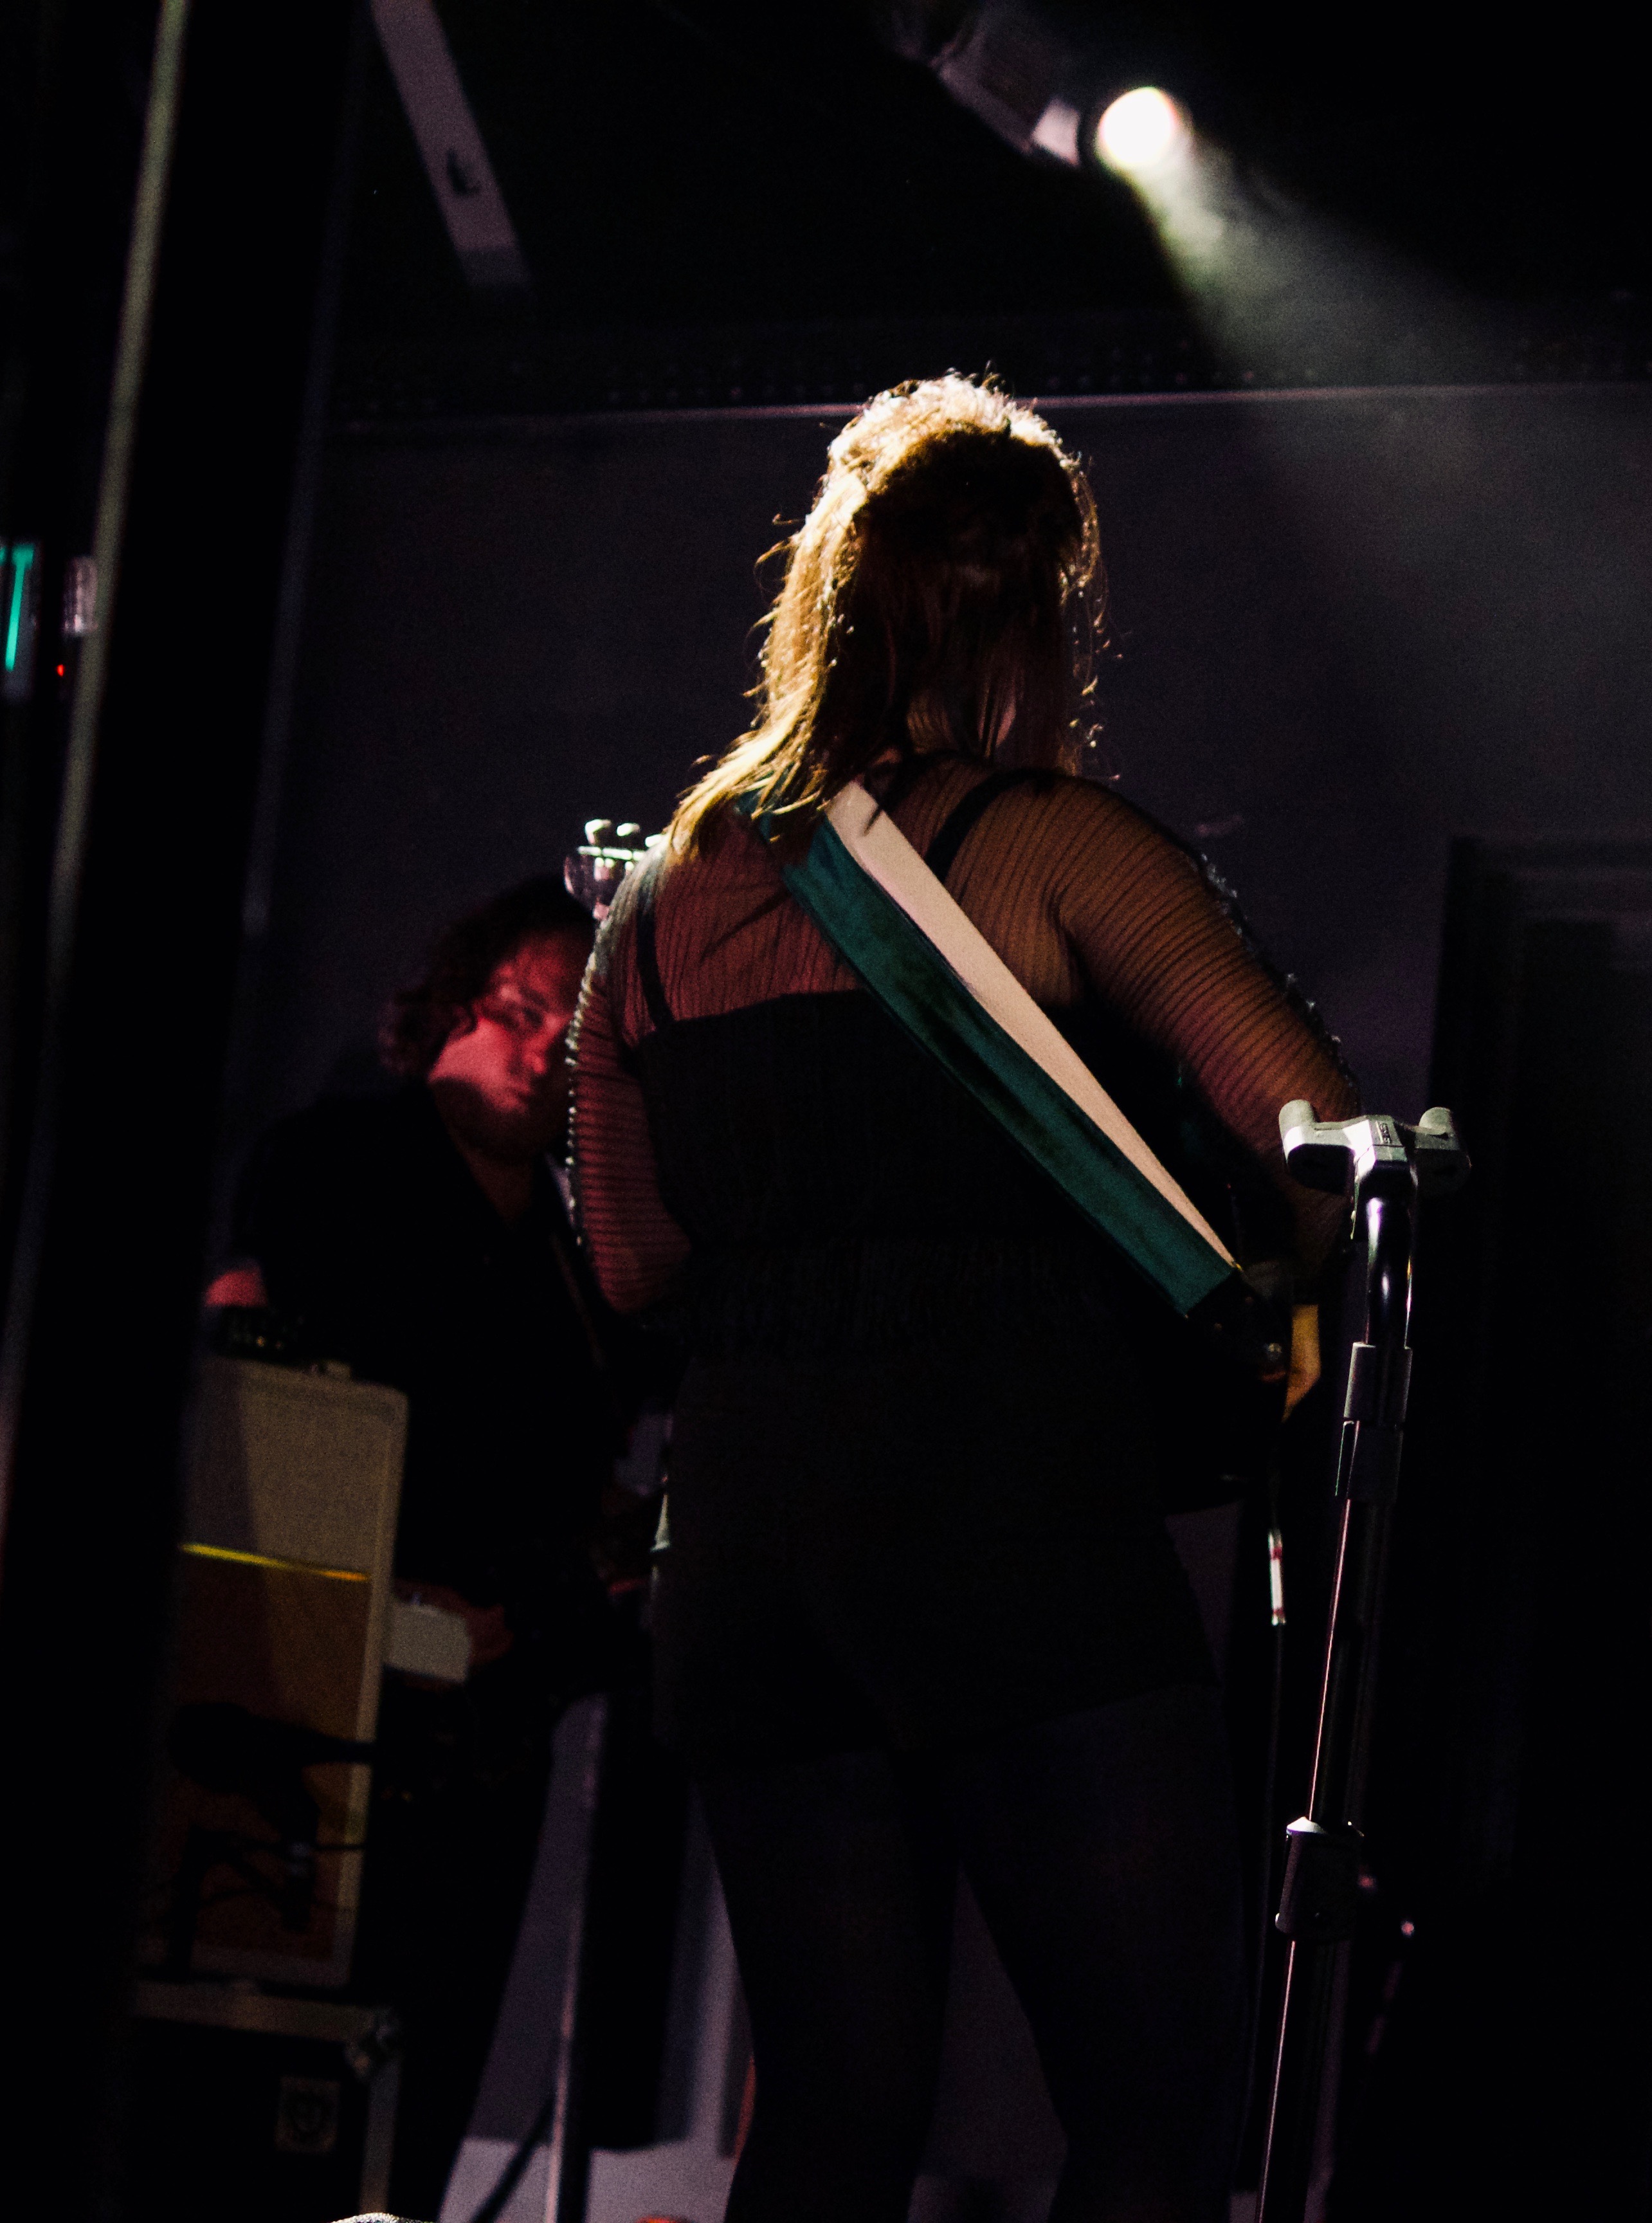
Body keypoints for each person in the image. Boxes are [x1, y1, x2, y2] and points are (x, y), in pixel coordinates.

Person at [570, 374, 1356, 2223]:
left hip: (756, 1547)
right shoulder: (1067, 848)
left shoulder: (665, 900)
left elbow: (632, 1264)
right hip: (1011, 1517)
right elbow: (1329, 1150)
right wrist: (1260, 1300)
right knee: (1155, 2103)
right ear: (1040, 609)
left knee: (834, 2108)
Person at [219, 877, 646, 2213]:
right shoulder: (334, 1166)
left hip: (487, 1735)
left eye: (572, 1039)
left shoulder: (586, 1257)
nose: (539, 1055)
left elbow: (597, 1497)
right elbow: (249, 1394)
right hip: (314, 1703)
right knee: (269, 2090)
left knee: (419, 2103)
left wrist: (543, 1612)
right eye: (521, 1014)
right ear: (453, 1009)